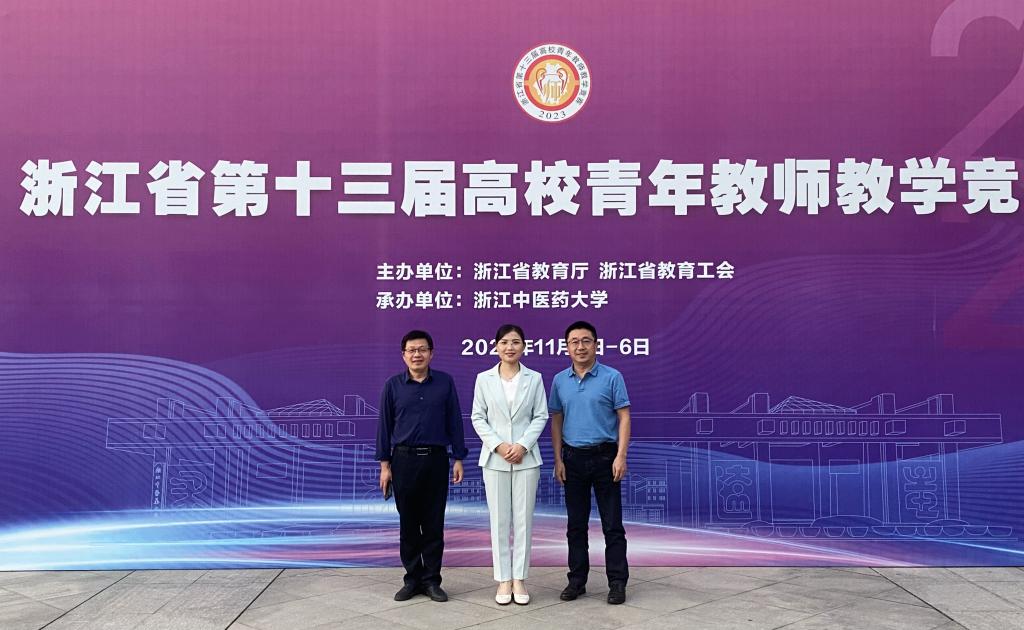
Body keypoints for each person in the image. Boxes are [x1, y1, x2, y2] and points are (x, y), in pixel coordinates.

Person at [376, 330, 467, 603]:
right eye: (412, 350)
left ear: (431, 353)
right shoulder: (393, 386)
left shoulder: (444, 383)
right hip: (403, 461)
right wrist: (385, 466)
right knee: (408, 524)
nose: (417, 354)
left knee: (433, 523)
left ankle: (432, 581)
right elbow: (384, 427)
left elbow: (454, 421)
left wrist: (458, 458)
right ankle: (412, 579)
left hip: (436, 460)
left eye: (422, 349)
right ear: (403, 355)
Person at [549, 320, 631, 605]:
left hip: (606, 457)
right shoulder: (560, 380)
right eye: (574, 342)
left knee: (612, 525)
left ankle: (617, 583)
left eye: (586, 341)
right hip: (572, 458)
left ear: (596, 345)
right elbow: (556, 420)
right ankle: (577, 581)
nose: (580, 346)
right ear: (567, 347)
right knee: (576, 526)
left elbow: (624, 417)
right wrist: (558, 459)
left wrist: (621, 455)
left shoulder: (612, 377)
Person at [470, 324, 549, 606]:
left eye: (515, 342)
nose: (510, 347)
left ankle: (520, 578)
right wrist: (500, 446)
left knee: (524, 521)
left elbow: (540, 415)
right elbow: (478, 417)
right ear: (496, 346)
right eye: (504, 342)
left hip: (526, 458)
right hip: (495, 458)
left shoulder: (534, 378)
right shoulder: (484, 379)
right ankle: (503, 578)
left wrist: (523, 445)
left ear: (524, 346)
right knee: (499, 520)